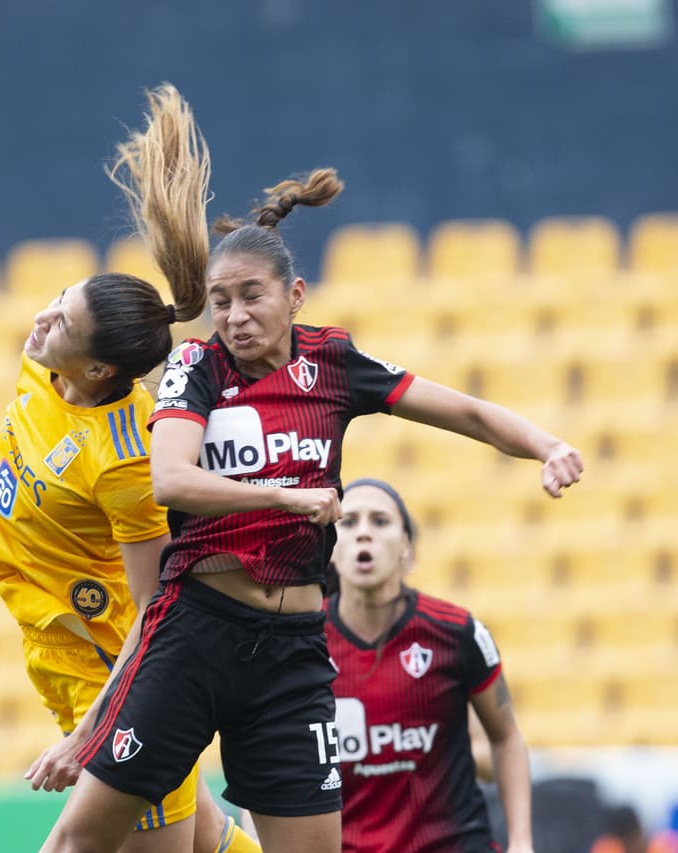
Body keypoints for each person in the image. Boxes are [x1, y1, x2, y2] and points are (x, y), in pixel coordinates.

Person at [40, 83, 583, 853]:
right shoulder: (197, 365)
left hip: (293, 654)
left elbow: (460, 409)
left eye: (251, 297)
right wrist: (285, 496)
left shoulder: (334, 362)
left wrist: (546, 444)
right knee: (80, 841)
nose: (233, 315)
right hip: (192, 631)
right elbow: (172, 481)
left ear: (294, 295)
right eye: (222, 301)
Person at [0, 87, 260, 852]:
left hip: (125, 671)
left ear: (101, 367)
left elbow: (153, 609)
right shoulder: (45, 365)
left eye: (62, 320)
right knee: (209, 838)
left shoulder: (128, 460)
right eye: (57, 300)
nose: (42, 319)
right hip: (60, 644)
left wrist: (92, 732)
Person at [326, 478, 533, 853]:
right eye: (349, 521)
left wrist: (521, 842)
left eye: (380, 521)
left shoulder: (456, 633)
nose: (364, 534)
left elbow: (506, 737)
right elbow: (261, 750)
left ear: (406, 547)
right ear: (331, 547)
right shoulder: (302, 643)